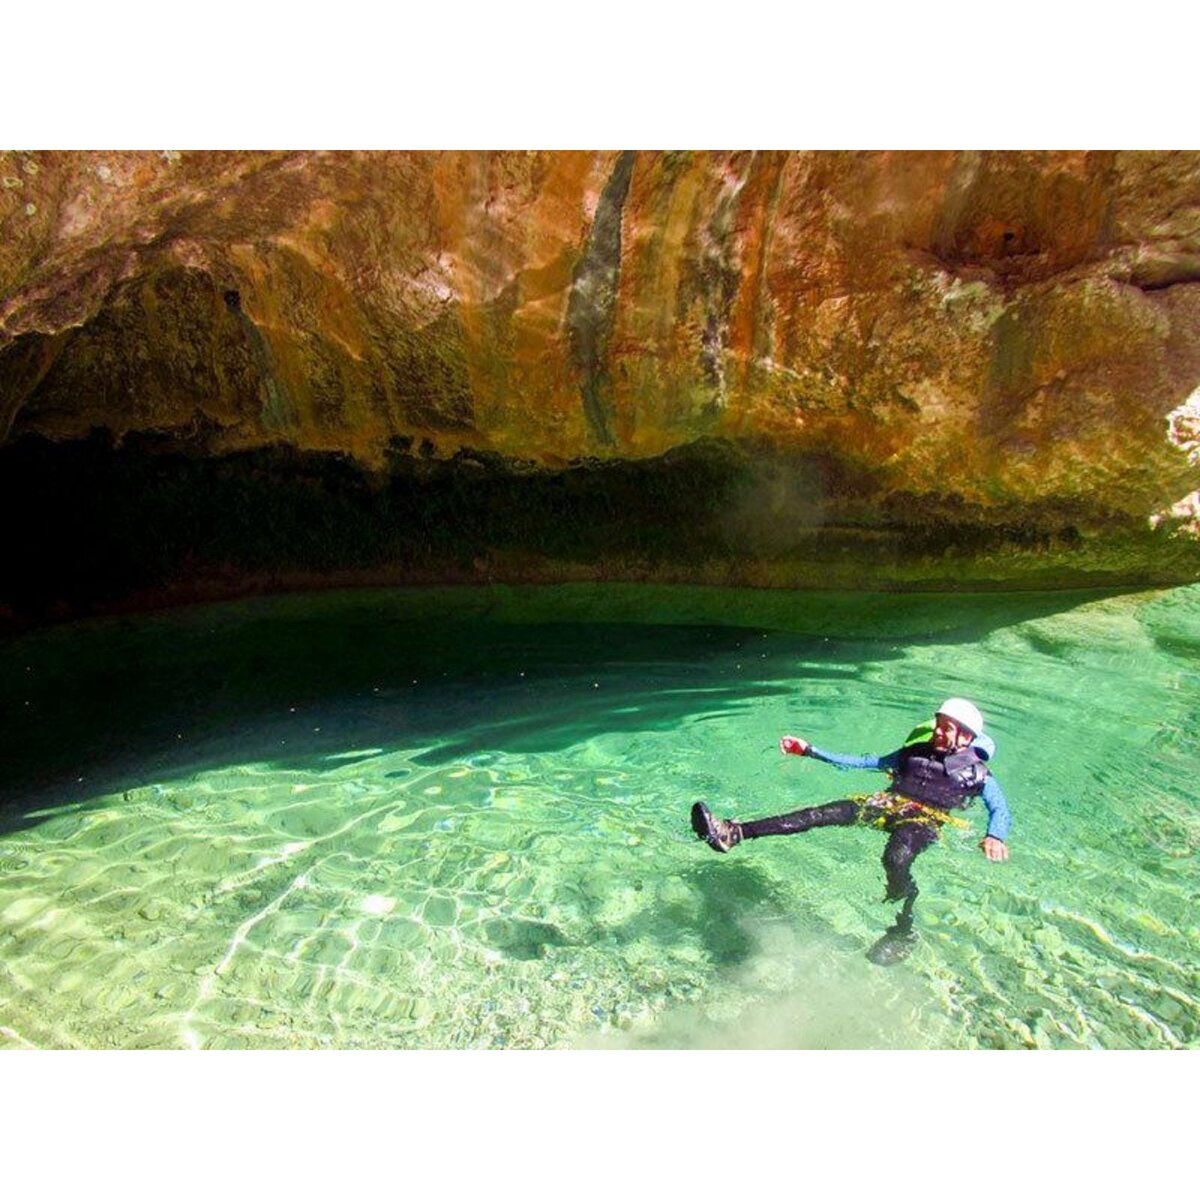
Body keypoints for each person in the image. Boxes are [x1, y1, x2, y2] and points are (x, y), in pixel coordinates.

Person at [690, 697, 1011, 964]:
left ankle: (903, 927)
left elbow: (1000, 808)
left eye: (949, 728)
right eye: (939, 724)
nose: (940, 732)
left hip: (924, 820)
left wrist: (995, 835)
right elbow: (865, 762)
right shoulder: (912, 753)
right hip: (888, 803)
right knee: (818, 814)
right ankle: (733, 833)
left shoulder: (979, 775)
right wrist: (811, 751)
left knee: (896, 857)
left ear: (966, 737)